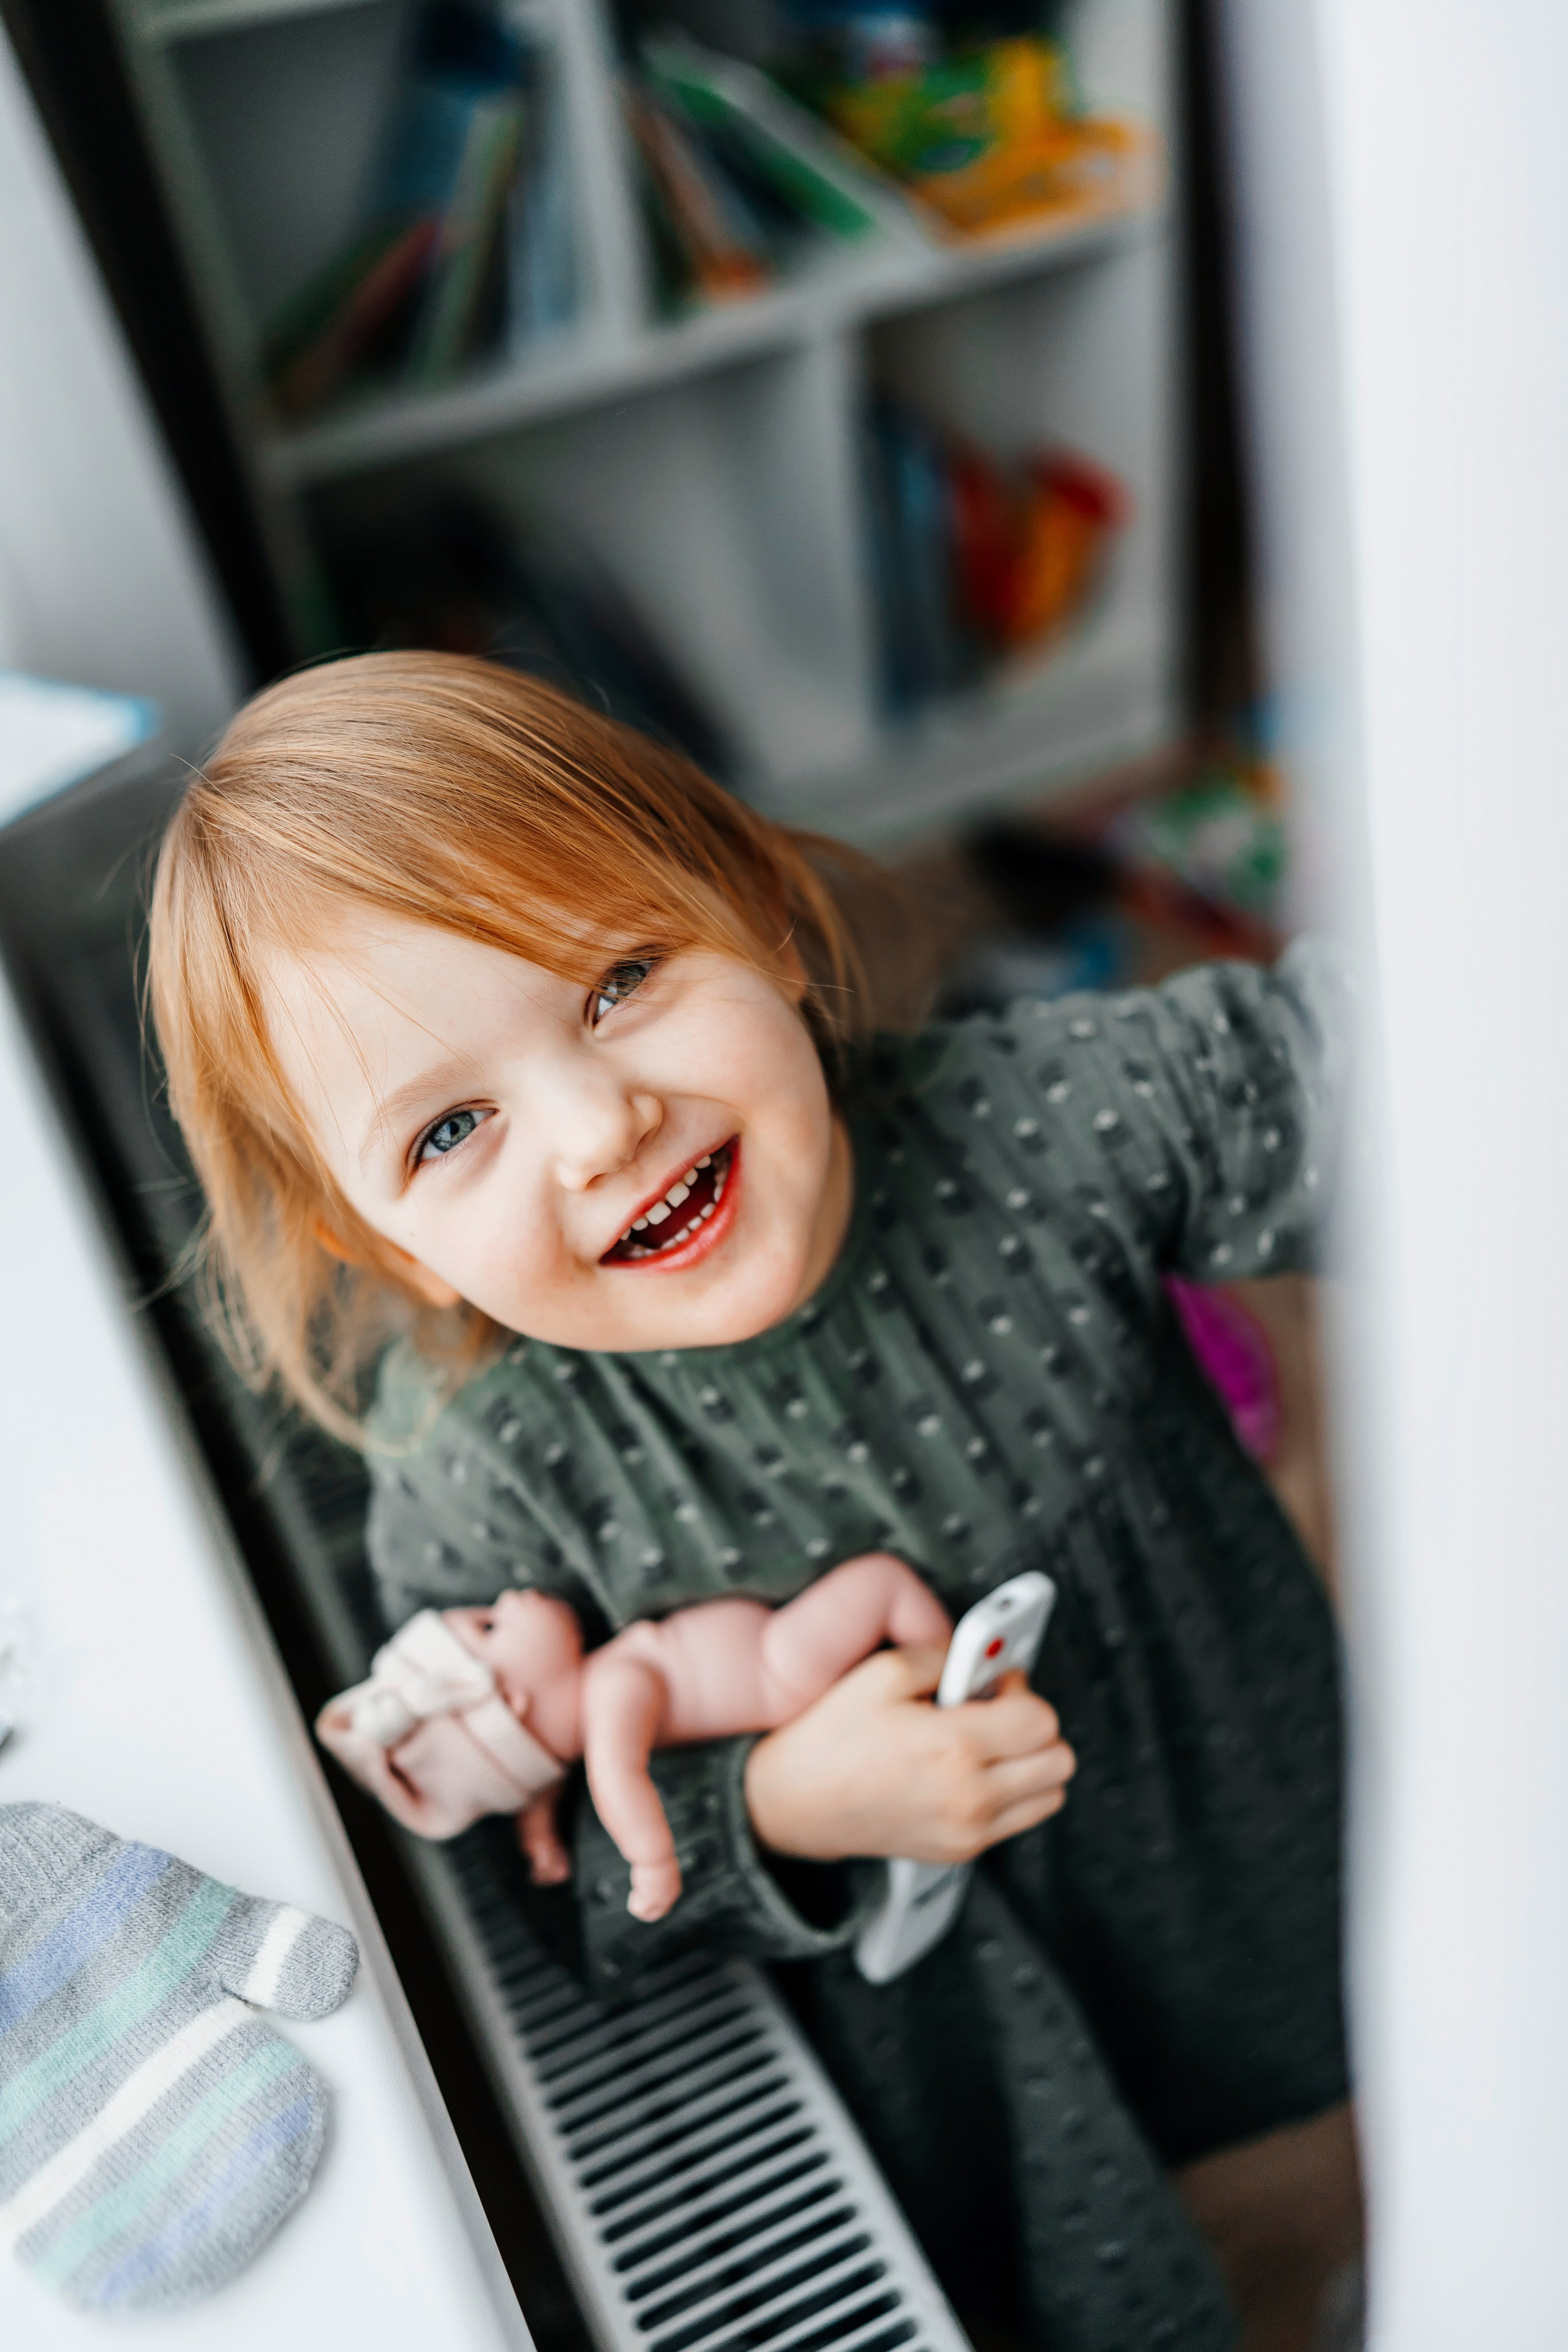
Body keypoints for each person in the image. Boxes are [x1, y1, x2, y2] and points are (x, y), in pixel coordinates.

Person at [147, 650, 1353, 2352]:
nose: (595, 1127)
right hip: (981, 2089)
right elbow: (556, 1917)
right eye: (451, 1131)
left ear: (767, 917)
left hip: (1281, 1887)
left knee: (1342, 2192)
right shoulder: (492, 1480)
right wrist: (778, 1801)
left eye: (621, 977)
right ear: (374, 1238)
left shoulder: (1054, 1122)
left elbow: (1405, 1071)